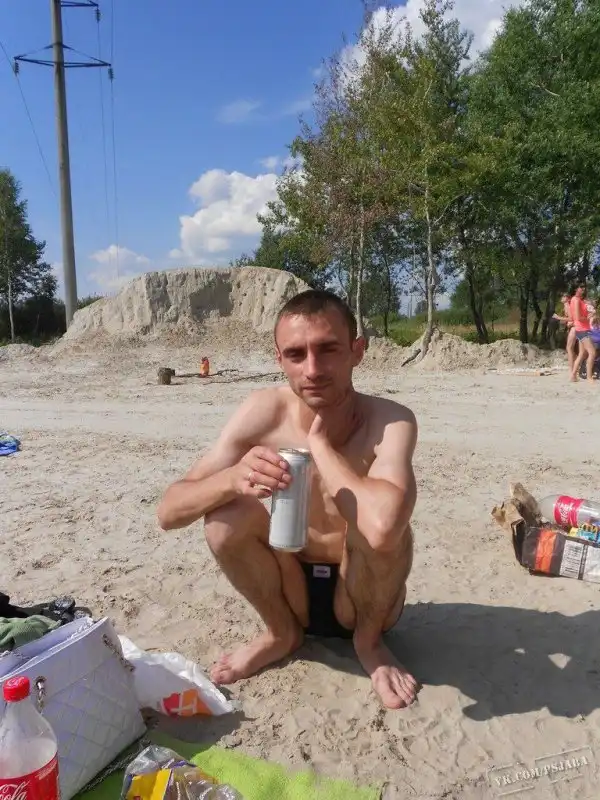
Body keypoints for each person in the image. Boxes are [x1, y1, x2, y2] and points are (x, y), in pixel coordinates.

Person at [157, 289, 420, 709]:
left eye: (328, 349)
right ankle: (280, 632)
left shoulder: (390, 420)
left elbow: (385, 530)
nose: (312, 369)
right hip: (289, 584)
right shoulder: (263, 412)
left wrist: (321, 445)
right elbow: (169, 512)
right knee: (224, 516)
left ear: (357, 351)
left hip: (362, 596)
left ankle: (369, 644)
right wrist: (233, 479)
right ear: (279, 360)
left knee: (387, 524)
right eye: (296, 354)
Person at [570, 284, 596, 382]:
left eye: (584, 287)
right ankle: (589, 377)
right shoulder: (576, 300)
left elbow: (576, 317)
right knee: (592, 352)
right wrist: (590, 317)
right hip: (582, 329)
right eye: (581, 287)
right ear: (576, 289)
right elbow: (578, 317)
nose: (583, 289)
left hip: (581, 328)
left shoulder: (576, 300)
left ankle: (573, 375)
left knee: (582, 353)